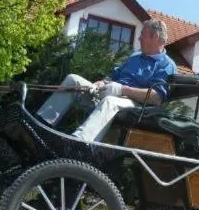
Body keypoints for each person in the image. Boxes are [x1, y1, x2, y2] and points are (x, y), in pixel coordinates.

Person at [37, 18, 177, 142]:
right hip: (112, 94)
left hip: (136, 106)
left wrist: (122, 90)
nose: (139, 38)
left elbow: (156, 97)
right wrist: (103, 83)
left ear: (155, 36)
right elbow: (113, 76)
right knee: (73, 80)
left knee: (110, 101)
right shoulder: (134, 57)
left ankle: (78, 142)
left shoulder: (167, 65)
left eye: (142, 34)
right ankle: (40, 125)